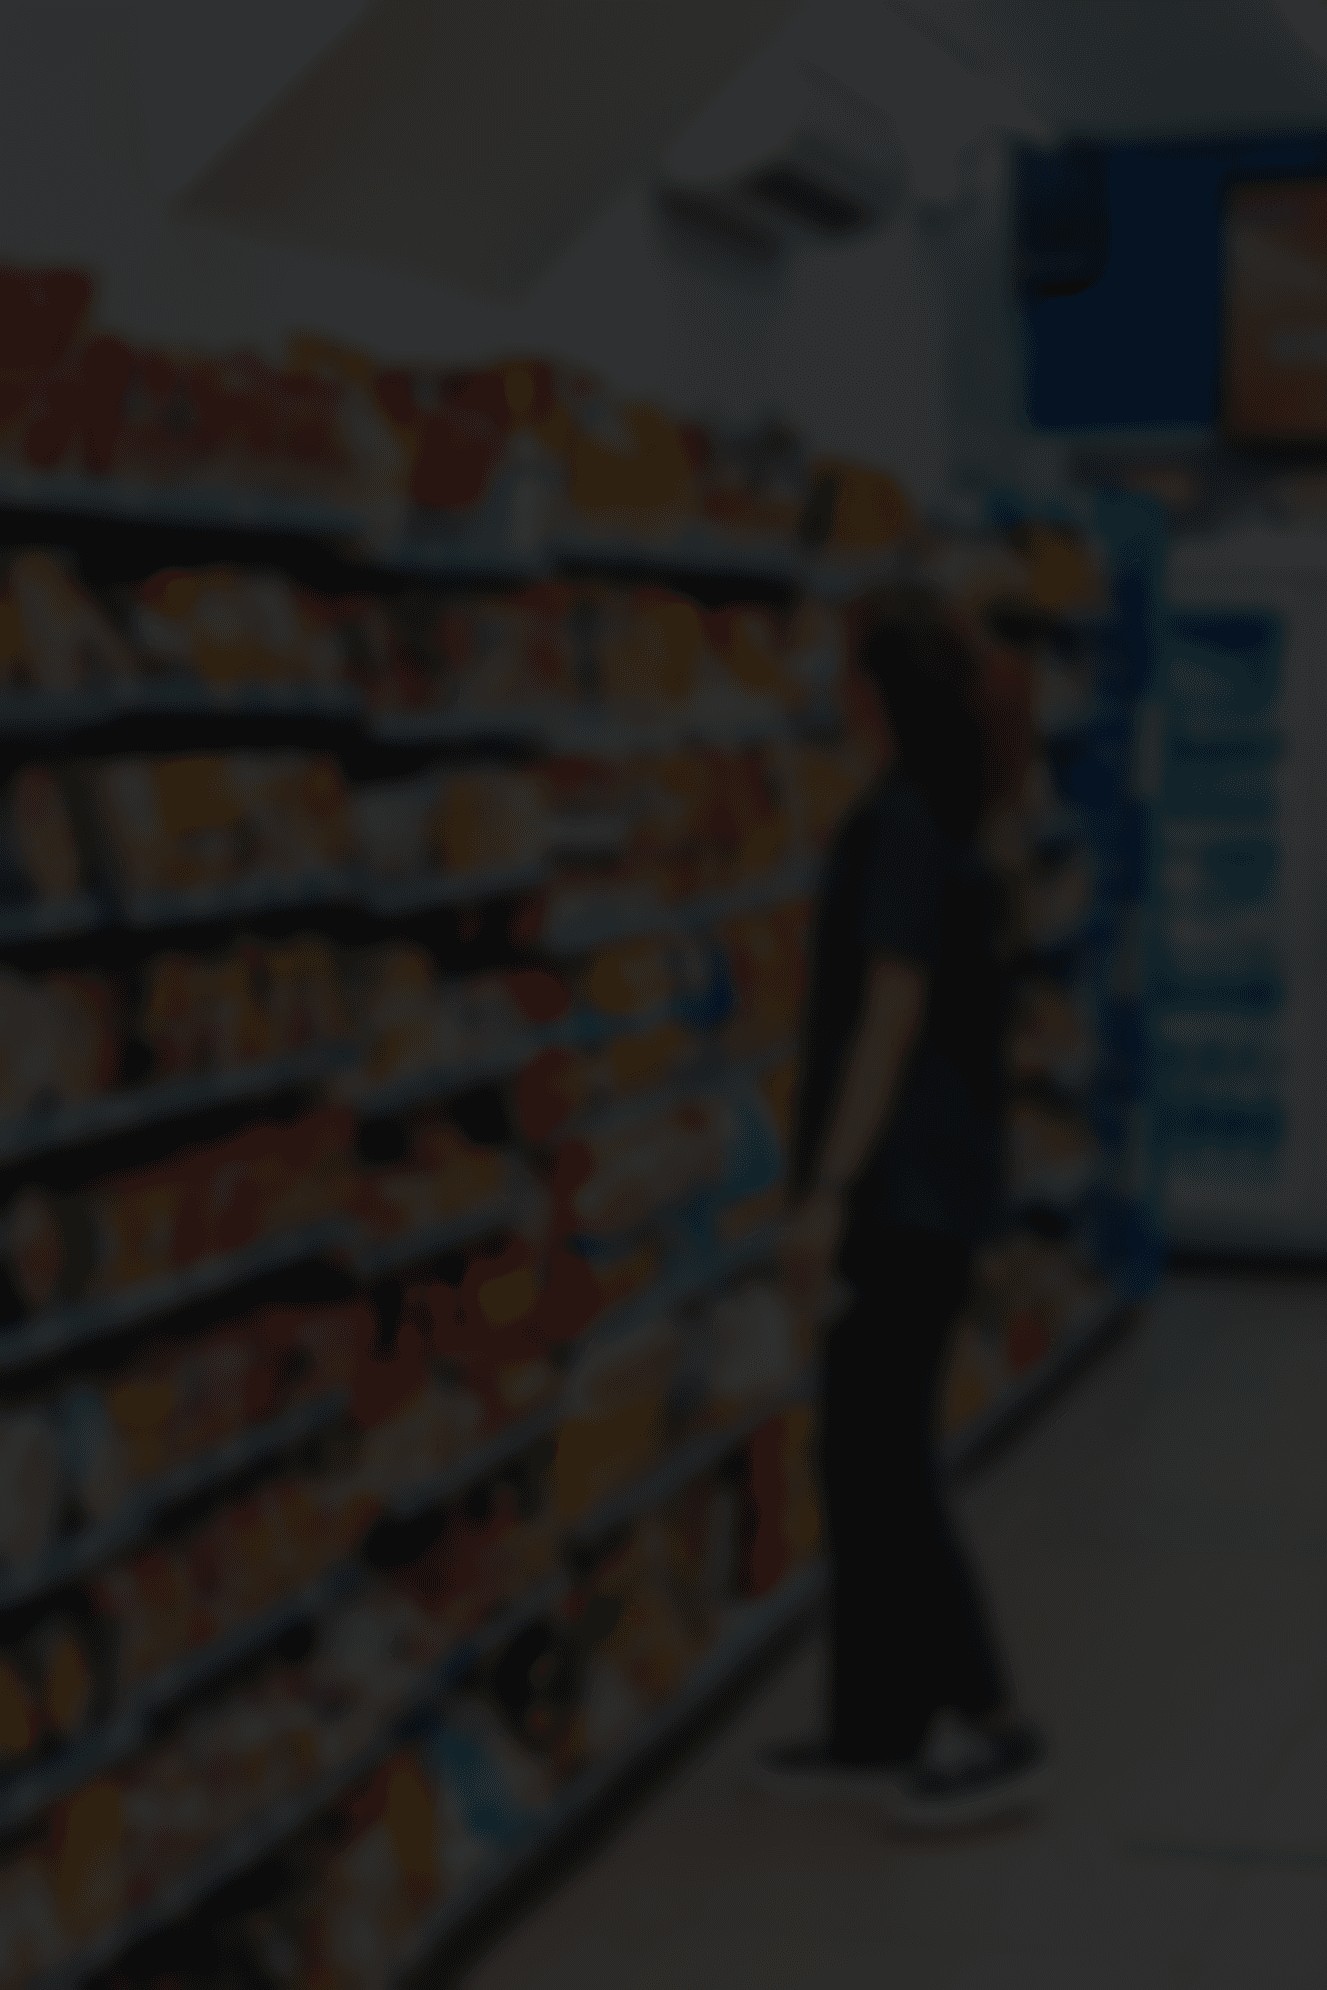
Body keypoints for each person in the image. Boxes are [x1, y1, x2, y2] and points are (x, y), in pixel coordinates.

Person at [752, 597, 1053, 1832]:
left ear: (871, 695)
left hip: (899, 1197)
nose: (826, 688)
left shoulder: (896, 828)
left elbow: (887, 1015)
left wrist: (823, 1192)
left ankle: (994, 1724)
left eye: (839, 671)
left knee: (885, 1460)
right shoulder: (947, 817)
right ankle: (873, 1722)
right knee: (853, 1454)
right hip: (938, 1186)